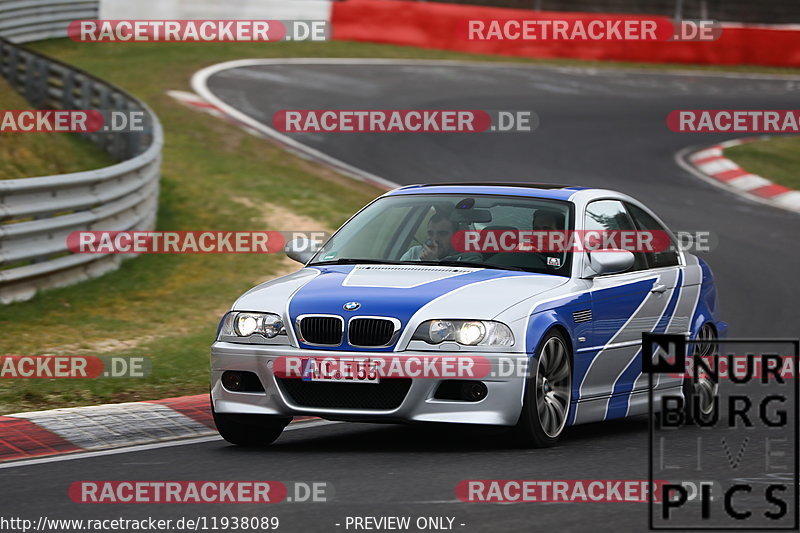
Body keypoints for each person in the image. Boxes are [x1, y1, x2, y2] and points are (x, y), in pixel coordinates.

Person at [401, 214, 481, 262]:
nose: (435, 239)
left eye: (442, 234)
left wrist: (431, 262)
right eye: (430, 233)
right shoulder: (414, 252)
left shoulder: (470, 259)